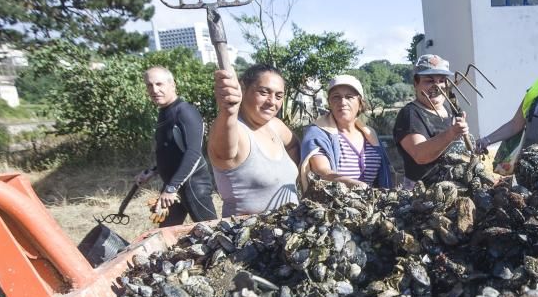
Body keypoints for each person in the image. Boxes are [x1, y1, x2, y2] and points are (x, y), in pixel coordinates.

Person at [209, 64, 300, 217]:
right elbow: (225, 153)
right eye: (264, 92)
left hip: (290, 232)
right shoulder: (233, 129)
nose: (272, 102)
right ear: (243, 88)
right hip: (250, 236)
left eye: (279, 96)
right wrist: (228, 110)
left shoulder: (275, 126)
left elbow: (294, 146)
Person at [135, 66, 217, 227]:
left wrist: (171, 188)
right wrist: (152, 171)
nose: (154, 89)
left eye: (159, 84)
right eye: (149, 85)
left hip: (193, 187)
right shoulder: (164, 112)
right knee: (165, 235)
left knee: (213, 234)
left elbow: (193, 153)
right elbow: (171, 152)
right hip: (174, 188)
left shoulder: (185, 111)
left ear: (172, 85)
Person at [299, 74, 393, 191]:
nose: (342, 102)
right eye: (336, 97)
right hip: (334, 206)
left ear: (360, 103)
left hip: (371, 205)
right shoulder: (318, 134)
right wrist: (350, 183)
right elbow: (322, 171)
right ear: (329, 102)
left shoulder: (370, 134)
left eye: (349, 97)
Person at [392, 54, 472, 188]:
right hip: (424, 194)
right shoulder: (410, 114)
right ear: (416, 83)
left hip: (455, 186)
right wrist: (451, 134)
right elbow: (420, 155)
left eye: (442, 80)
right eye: (429, 81)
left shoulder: (450, 108)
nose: (437, 86)